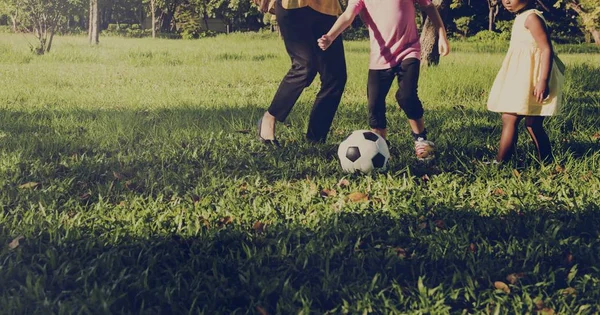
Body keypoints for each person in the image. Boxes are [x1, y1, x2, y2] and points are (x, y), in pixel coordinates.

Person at [317, 0, 449, 161]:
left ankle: (421, 139)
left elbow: (428, 6)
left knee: (406, 96)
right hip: (381, 57)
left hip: (409, 50)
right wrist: (330, 36)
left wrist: (442, 34)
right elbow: (348, 15)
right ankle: (382, 146)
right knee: (375, 103)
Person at [254, 0, 348, 146]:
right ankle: (269, 117)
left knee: (335, 76)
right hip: (293, 5)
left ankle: (316, 138)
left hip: (326, 8)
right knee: (305, 66)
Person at [487, 0, 565, 164]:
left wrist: (543, 80)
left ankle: (502, 162)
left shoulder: (532, 18)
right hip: (521, 77)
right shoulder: (521, 17)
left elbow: (546, 49)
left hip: (533, 78)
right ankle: (546, 160)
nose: (507, 1)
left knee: (521, 120)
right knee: (523, 121)